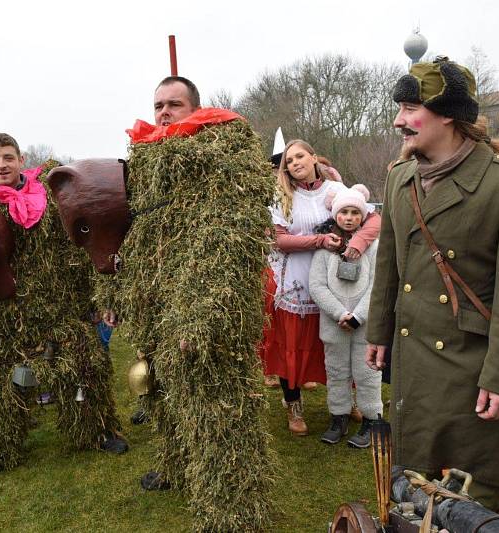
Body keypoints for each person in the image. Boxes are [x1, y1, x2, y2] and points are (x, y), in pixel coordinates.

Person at [365, 57, 499, 511]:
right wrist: (378, 331)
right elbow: (389, 261)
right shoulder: (400, 178)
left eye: (411, 107)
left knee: (471, 500)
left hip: (475, 365)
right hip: (416, 358)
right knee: (415, 486)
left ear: (448, 113)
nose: (398, 120)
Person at [96, 76, 276, 531]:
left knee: (216, 406)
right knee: (159, 392)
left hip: (203, 306)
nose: (163, 113)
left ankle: (233, 508)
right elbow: (126, 235)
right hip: (152, 303)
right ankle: (177, 465)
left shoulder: (223, 153)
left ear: (196, 108)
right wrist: (116, 293)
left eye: (174, 104)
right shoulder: (142, 163)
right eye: (158, 105)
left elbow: (227, 237)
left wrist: (199, 312)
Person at [0, 132, 127, 476]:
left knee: (82, 371)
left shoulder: (50, 198)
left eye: (8, 158)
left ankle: (96, 431)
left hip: (56, 309)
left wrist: (100, 297)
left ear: (21, 159)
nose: (2, 165)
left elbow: (79, 247)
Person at [260, 139, 380, 436]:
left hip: (338, 281)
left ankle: (348, 400)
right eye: (289, 161)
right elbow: (277, 239)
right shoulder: (281, 196)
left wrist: (358, 243)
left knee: (344, 344)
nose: (295, 163)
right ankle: (293, 405)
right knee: (293, 348)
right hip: (297, 283)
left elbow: (372, 219)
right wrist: (318, 241)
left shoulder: (335, 191)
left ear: (314, 158)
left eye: (300, 156)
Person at [308, 184, 381, 447]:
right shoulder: (325, 248)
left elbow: (378, 284)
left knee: (367, 373)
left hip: (364, 325)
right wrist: (339, 313)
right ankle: (338, 417)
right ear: (336, 215)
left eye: (354, 212)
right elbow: (316, 285)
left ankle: (372, 420)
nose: (349, 217)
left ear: (362, 215)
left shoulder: (372, 247)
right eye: (344, 212)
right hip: (333, 323)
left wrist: (357, 316)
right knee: (336, 371)